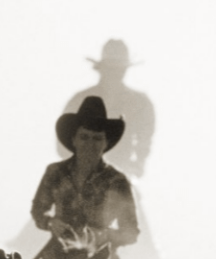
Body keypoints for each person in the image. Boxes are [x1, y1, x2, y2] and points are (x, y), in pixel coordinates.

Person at [27, 95, 141, 259]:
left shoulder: (117, 181)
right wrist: (51, 222)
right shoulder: (54, 172)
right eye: (85, 137)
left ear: (106, 143)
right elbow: (38, 210)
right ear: (74, 140)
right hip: (56, 257)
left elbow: (131, 232)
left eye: (97, 138)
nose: (91, 144)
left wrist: (103, 235)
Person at [58, 39, 156, 178]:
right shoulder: (79, 100)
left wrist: (135, 167)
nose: (115, 74)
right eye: (112, 69)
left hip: (122, 172)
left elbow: (145, 140)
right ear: (103, 69)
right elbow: (63, 140)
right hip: (81, 176)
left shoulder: (140, 103)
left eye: (119, 70)